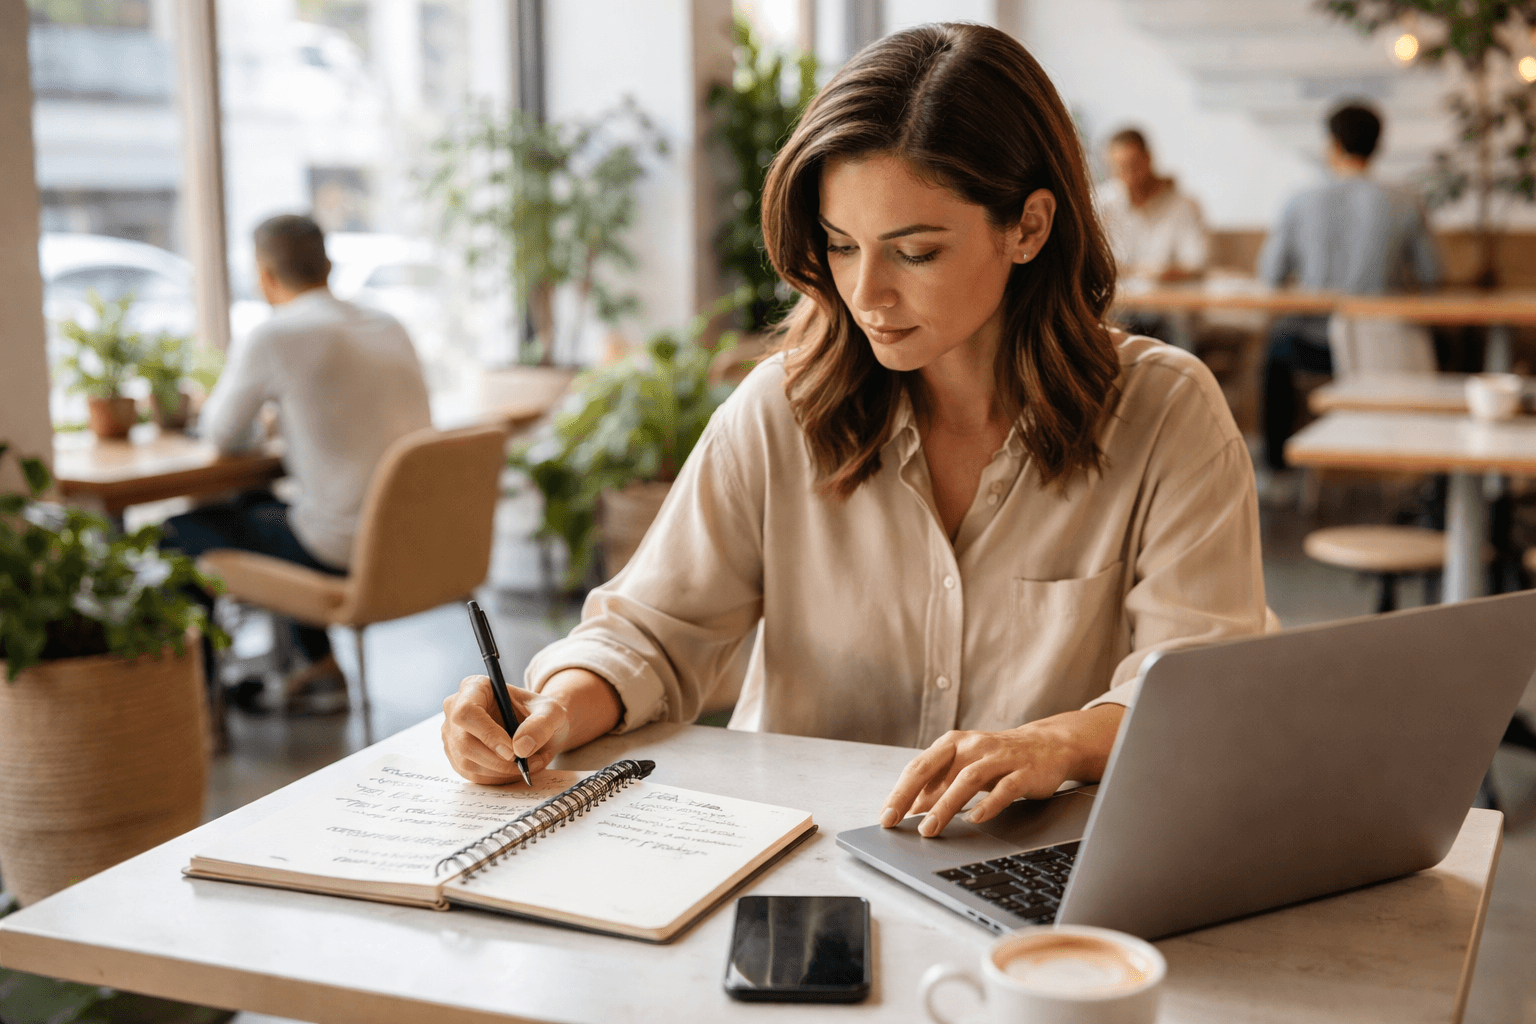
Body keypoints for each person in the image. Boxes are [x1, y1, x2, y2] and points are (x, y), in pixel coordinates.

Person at [441, 23, 1264, 838]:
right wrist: (553, 706)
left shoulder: (1166, 416)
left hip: (1043, 873)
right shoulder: (780, 412)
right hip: (796, 863)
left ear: (1030, 227)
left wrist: (1059, 740)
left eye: (914, 252)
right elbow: (651, 633)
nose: (866, 292)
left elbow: (1197, 685)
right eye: (840, 245)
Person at [162, 214, 432, 713]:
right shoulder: (388, 324)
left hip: (341, 550)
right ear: (327, 264)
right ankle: (318, 667)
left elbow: (223, 435)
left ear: (264, 275)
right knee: (259, 504)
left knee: (175, 533)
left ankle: (194, 709)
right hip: (414, 544)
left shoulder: (276, 336)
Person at [1258, 102, 1442, 469]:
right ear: (1377, 146)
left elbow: (1270, 274)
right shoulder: (1406, 201)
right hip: (1387, 345)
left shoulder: (1300, 201)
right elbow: (1433, 274)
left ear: (1333, 145)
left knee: (1275, 352)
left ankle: (1276, 468)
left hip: (1317, 346)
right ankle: (1436, 467)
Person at [1096, 128, 1209, 284]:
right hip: (1119, 304)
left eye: (1133, 166)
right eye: (1119, 168)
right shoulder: (1103, 204)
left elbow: (1196, 263)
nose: (1128, 176)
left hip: (1166, 302)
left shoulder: (1184, 206)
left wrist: (1163, 274)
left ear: (1148, 159)